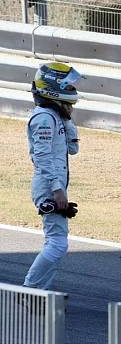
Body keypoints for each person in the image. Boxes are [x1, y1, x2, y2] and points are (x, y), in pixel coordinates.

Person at [24, 62, 82, 290]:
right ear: (54, 87)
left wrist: (67, 119)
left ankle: (39, 293)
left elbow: (73, 149)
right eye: (68, 85)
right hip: (49, 186)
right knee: (57, 244)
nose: (72, 89)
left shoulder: (55, 116)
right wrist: (57, 189)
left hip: (55, 185)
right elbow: (42, 157)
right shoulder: (44, 118)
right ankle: (29, 289)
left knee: (55, 242)